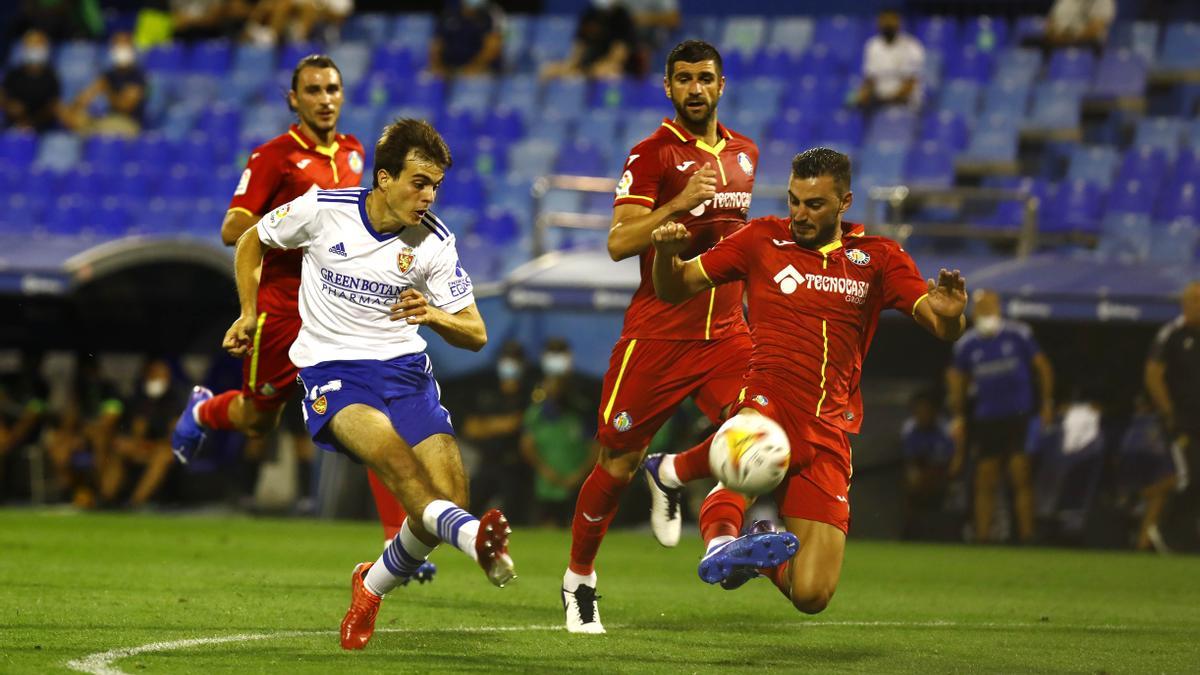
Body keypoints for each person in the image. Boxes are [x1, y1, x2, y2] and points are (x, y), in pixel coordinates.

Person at [210, 117, 515, 650]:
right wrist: (247, 312)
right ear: (383, 178)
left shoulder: (435, 243)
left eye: (436, 185)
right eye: (419, 182)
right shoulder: (324, 209)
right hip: (335, 373)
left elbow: (477, 333)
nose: (429, 196)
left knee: (448, 497)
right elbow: (251, 239)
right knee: (397, 463)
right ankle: (475, 539)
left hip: (406, 374)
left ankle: (370, 586)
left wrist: (434, 316)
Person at [649, 147, 968, 613]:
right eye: (794, 200)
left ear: (845, 202)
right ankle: (719, 547)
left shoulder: (878, 258)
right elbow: (673, 286)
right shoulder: (759, 239)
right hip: (768, 394)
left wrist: (954, 317)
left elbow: (940, 327)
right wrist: (664, 256)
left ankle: (747, 549)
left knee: (812, 594)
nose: (799, 213)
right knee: (748, 449)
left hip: (831, 425)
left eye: (814, 204)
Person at [559, 39, 763, 634]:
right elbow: (619, 243)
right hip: (658, 336)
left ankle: (683, 489)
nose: (695, 88)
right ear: (668, 88)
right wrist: (679, 201)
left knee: (760, 436)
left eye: (705, 78)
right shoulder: (651, 154)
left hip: (728, 333)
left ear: (721, 85)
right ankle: (579, 580)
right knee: (616, 463)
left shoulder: (747, 154)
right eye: (683, 79)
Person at [169, 55, 410, 540]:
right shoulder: (273, 156)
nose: (325, 99)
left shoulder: (356, 151)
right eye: (314, 90)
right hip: (282, 305)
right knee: (259, 420)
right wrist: (299, 227)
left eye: (332, 89)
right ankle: (202, 410)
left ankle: (396, 543)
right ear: (294, 99)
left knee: (370, 412)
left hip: (339, 302)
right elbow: (233, 228)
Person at [947, 289, 1053, 544]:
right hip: (987, 419)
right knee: (985, 478)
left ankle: (1027, 536)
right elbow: (957, 380)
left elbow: (1043, 368)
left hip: (1018, 416)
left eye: (989, 308)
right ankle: (982, 538)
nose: (985, 313)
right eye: (980, 309)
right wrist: (959, 415)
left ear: (999, 308)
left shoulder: (1018, 334)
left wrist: (1046, 403)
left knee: (1020, 475)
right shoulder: (967, 344)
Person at [1144, 280, 1200, 552]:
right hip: (1181, 421)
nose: (1195, 307)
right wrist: (1168, 411)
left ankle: (1184, 536)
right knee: (1189, 476)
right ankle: (1164, 531)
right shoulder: (1172, 333)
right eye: (1193, 301)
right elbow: (1153, 373)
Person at [521, 339, 598, 527]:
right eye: (552, 355)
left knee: (579, 527)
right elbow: (527, 443)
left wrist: (579, 475)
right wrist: (545, 471)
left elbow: (596, 445)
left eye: (560, 355)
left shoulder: (583, 394)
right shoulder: (534, 395)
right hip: (544, 484)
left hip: (579, 481)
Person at [460, 339, 532, 524]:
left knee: (513, 520)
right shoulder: (487, 391)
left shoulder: (529, 393)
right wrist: (504, 424)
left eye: (514, 359)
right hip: (487, 463)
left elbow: (524, 425)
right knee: (465, 513)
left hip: (516, 467)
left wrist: (488, 426)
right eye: (507, 358)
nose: (510, 364)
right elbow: (471, 428)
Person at [98, 357, 183, 508]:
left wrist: (151, 446)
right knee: (119, 448)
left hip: (163, 449)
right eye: (154, 375)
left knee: (164, 455)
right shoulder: (139, 398)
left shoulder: (175, 399)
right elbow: (137, 430)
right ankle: (106, 499)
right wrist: (136, 444)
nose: (158, 379)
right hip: (142, 447)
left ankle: (135, 503)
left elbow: (175, 435)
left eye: (162, 375)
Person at [900, 389, 957, 539]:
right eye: (918, 410)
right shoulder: (909, 429)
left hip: (945, 474)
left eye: (926, 410)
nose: (922, 414)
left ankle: (945, 534)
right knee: (912, 482)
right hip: (922, 474)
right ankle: (910, 533)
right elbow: (911, 461)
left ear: (934, 411)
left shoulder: (946, 429)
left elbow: (950, 461)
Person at [66, 31, 146, 137]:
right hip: (109, 120)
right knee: (78, 119)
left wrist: (107, 90)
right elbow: (84, 98)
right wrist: (75, 106)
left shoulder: (137, 76)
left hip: (129, 124)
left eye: (124, 45)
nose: (121, 50)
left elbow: (125, 107)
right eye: (117, 46)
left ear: (132, 49)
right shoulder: (109, 75)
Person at [540, 0, 642, 80]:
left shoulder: (622, 16)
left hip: (613, 66)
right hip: (587, 65)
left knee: (602, 72)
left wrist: (603, 66)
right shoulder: (589, 14)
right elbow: (579, 45)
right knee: (548, 70)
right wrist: (570, 66)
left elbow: (619, 54)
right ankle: (543, 105)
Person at [854, 9, 925, 111]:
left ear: (898, 23)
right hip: (879, 100)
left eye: (891, 21)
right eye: (884, 21)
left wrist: (889, 100)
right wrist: (861, 96)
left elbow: (910, 83)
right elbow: (870, 79)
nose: (887, 25)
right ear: (878, 23)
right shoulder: (872, 46)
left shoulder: (912, 46)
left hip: (906, 102)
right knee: (855, 104)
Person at [1, 30, 66, 132]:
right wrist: (10, 106)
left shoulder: (51, 76)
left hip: (43, 127)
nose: (35, 50)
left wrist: (33, 120)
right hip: (13, 125)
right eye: (31, 45)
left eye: (38, 45)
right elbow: (4, 97)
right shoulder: (13, 74)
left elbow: (54, 105)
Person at [428, 0, 505, 77]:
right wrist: (438, 66)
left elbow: (493, 47)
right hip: (450, 69)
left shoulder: (492, 13)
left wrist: (475, 67)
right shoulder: (449, 12)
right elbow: (437, 44)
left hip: (480, 68)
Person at [1042, 0, 1116, 55]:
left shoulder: (1104, 2)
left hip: (1086, 48)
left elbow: (1095, 29)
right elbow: (1050, 22)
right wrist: (1053, 34)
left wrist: (1067, 39)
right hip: (1057, 44)